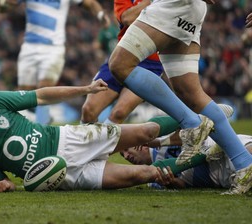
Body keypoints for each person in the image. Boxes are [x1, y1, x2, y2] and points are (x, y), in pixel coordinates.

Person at [0, 80, 176, 192]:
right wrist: (0, 186)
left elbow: (41, 96)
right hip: (62, 178)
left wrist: (85, 89)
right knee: (146, 174)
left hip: (70, 138)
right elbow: (4, 183)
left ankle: (196, 118)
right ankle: (200, 164)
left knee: (147, 131)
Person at [107, 0, 252, 194]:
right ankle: (244, 165)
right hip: (191, 9)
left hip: (176, 3)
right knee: (190, 94)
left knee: (120, 64)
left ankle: (192, 124)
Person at [3, 0, 111, 125]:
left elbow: (90, 3)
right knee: (24, 92)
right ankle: (38, 120)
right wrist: (4, 5)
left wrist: (101, 14)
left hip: (53, 47)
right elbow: (9, 4)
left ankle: (41, 128)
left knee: (45, 87)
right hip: (29, 46)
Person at [81, 0, 166, 124]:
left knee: (119, 113)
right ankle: (82, 142)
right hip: (121, 57)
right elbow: (127, 18)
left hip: (151, 63)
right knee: (88, 110)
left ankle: (103, 142)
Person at [122, 132, 252, 191]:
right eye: (123, 156)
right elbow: (183, 185)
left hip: (224, 148)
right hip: (220, 176)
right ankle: (206, 153)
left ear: (137, 142)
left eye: (127, 149)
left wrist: (157, 141)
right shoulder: (152, 179)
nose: (127, 156)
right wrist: (171, 182)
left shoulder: (159, 135)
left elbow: (190, 131)